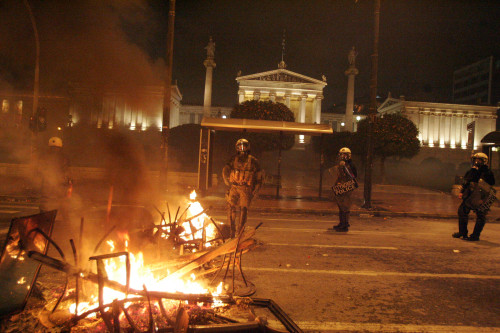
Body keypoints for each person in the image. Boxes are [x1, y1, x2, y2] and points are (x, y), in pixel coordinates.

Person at [222, 139, 263, 238]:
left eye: (244, 146)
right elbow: (226, 169)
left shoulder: (253, 161)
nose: (242, 148)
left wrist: (256, 188)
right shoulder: (233, 159)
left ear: (247, 147)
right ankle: (232, 230)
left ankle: (240, 231)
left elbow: (259, 175)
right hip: (234, 186)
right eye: (240, 146)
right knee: (231, 208)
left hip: (246, 188)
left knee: (243, 209)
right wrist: (226, 181)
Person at [37, 137, 73, 242]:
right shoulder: (64, 158)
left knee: (44, 211)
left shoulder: (44, 157)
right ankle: (68, 235)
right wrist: (69, 184)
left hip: (48, 189)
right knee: (63, 210)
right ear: (60, 147)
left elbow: (39, 171)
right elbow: (68, 174)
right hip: (60, 189)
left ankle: (42, 234)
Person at [453, 152, 495, 241]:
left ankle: (475, 235)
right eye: (475, 160)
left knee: (481, 215)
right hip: (471, 195)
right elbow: (467, 181)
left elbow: (490, 184)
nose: (476, 162)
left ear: (484, 161)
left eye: (479, 160)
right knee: (462, 211)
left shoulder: (487, 172)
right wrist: (462, 191)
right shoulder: (472, 170)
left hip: (482, 197)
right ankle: (463, 232)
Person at [329, 147, 358, 232]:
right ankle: (341, 223)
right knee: (340, 206)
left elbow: (353, 176)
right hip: (341, 186)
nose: (343, 156)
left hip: (347, 187)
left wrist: (345, 168)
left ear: (348, 155)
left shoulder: (351, 164)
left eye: (344, 155)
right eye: (341, 154)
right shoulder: (342, 164)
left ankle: (345, 224)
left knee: (345, 206)